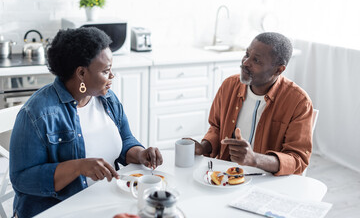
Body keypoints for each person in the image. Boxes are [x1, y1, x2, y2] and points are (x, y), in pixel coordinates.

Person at [9, 27, 163, 218]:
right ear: (81, 73)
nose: (112, 76)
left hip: (106, 202)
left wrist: (140, 154)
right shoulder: (36, 114)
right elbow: (21, 179)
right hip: (58, 210)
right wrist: (78, 167)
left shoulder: (107, 99)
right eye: (106, 71)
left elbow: (125, 140)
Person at [189, 32, 313, 176]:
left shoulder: (299, 103)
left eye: (256, 61)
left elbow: (298, 159)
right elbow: (216, 128)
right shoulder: (229, 85)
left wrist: (255, 159)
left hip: (267, 181)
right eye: (247, 54)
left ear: (279, 69)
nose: (246, 63)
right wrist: (203, 147)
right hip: (225, 176)